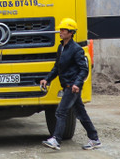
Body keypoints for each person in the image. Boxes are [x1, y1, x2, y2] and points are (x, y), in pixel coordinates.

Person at [40, 18, 101, 151]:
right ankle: (94, 139)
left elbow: (84, 69)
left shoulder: (76, 49)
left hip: (72, 86)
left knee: (61, 112)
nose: (60, 32)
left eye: (63, 30)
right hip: (67, 85)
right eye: (60, 29)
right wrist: (47, 79)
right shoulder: (61, 47)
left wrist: (77, 84)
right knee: (81, 114)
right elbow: (57, 67)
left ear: (71, 32)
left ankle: (56, 140)